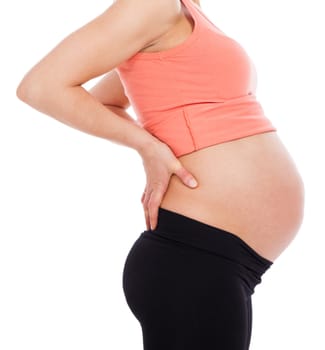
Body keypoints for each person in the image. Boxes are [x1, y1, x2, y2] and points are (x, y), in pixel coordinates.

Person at [16, 0, 304, 348]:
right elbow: (41, 86)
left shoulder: (186, 11)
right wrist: (148, 147)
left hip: (226, 264)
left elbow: (109, 98)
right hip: (192, 258)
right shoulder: (152, 4)